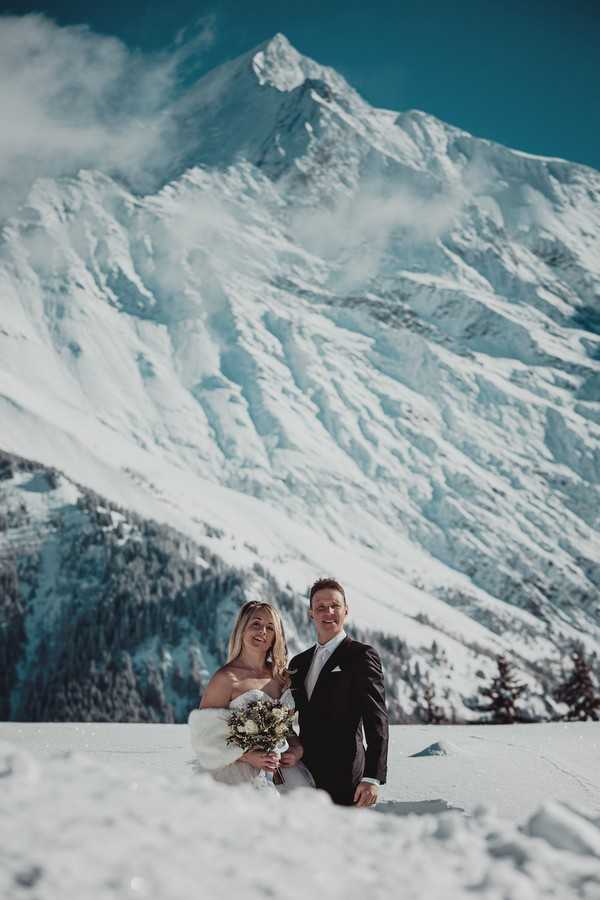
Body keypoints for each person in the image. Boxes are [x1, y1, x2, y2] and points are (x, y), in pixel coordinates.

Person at [188, 600, 313, 792]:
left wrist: (296, 749)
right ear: (242, 628)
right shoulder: (225, 679)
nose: (263, 631)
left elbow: (286, 728)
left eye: (270, 628)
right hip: (238, 775)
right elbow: (205, 737)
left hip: (283, 772)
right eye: (256, 624)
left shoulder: (281, 677)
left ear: (275, 636)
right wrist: (247, 756)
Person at [288, 578, 389, 807]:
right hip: (303, 771)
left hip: (346, 774)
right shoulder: (299, 662)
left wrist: (372, 776)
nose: (328, 612)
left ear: (346, 610)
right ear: (311, 613)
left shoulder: (361, 655)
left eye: (334, 606)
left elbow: (377, 718)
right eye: (320, 607)